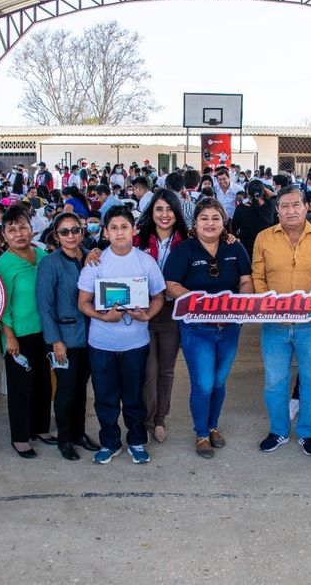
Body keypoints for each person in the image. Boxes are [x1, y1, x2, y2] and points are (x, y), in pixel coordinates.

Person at [252, 185, 311, 457]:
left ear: (306, 207)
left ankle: (306, 432)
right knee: (275, 381)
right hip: (274, 325)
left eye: (295, 205)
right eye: (284, 206)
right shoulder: (264, 238)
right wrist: (267, 304)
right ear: (277, 210)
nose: (290, 210)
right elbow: (258, 277)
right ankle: (278, 430)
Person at [77, 205, 166, 465]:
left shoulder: (145, 262)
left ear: (133, 230)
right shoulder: (96, 262)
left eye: (124, 227)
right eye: (113, 228)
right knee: (105, 397)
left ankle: (136, 441)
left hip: (135, 344)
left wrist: (147, 316)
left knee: (134, 397)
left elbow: (158, 296)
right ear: (105, 232)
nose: (119, 233)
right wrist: (105, 317)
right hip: (101, 344)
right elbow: (83, 302)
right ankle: (110, 442)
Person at [164, 198, 253, 458]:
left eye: (215, 218)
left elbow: (245, 280)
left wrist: (244, 299)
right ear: (195, 223)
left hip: (230, 326)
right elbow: (171, 284)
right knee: (203, 383)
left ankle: (213, 426)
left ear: (224, 222)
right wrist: (201, 303)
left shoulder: (235, 248)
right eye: (204, 218)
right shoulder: (184, 250)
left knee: (219, 381)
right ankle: (202, 433)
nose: (210, 223)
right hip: (197, 328)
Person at [37, 213, 101, 461]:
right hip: (64, 338)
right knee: (66, 389)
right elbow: (45, 305)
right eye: (64, 232)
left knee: (81, 388)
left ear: (82, 232)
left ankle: (78, 433)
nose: (71, 235)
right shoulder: (50, 263)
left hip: (89, 336)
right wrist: (55, 341)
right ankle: (64, 439)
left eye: (75, 230)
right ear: (56, 236)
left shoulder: (90, 256)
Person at [0, 204, 55, 459]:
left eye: (23, 228)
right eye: (12, 230)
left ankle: (40, 428)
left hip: (44, 331)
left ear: (32, 229)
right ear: (4, 235)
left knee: (43, 383)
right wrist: (9, 336)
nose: (19, 234)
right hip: (18, 335)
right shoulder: (3, 265)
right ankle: (20, 437)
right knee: (21, 387)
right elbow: (1, 305)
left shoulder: (41, 255)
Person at [133, 189, 189, 443]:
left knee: (166, 369)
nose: (164, 215)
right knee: (148, 370)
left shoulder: (187, 241)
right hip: (143, 311)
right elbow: (115, 253)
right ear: (151, 212)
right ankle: (146, 420)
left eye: (169, 209)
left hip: (172, 313)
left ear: (177, 213)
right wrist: (96, 252)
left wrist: (227, 237)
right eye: (159, 209)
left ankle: (160, 420)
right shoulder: (138, 240)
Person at [231, 179, 276, 262]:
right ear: (263, 192)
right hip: (267, 248)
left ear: (247, 193)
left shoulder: (240, 209)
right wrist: (264, 189)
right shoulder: (270, 205)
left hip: (247, 249)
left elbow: (234, 228)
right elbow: (274, 196)